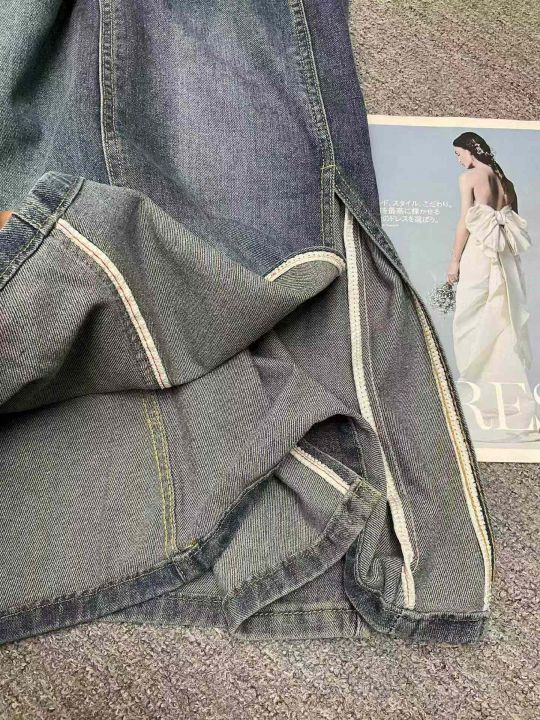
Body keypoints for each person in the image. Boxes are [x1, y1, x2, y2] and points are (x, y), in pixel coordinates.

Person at [448, 131, 540, 442]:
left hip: (480, 253)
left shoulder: (470, 177)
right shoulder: (506, 182)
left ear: (470, 151)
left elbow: (465, 223)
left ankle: (488, 408)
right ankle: (511, 410)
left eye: (458, 154)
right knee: (503, 324)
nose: (458, 160)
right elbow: (513, 221)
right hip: (504, 258)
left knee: (473, 323)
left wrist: (454, 262)